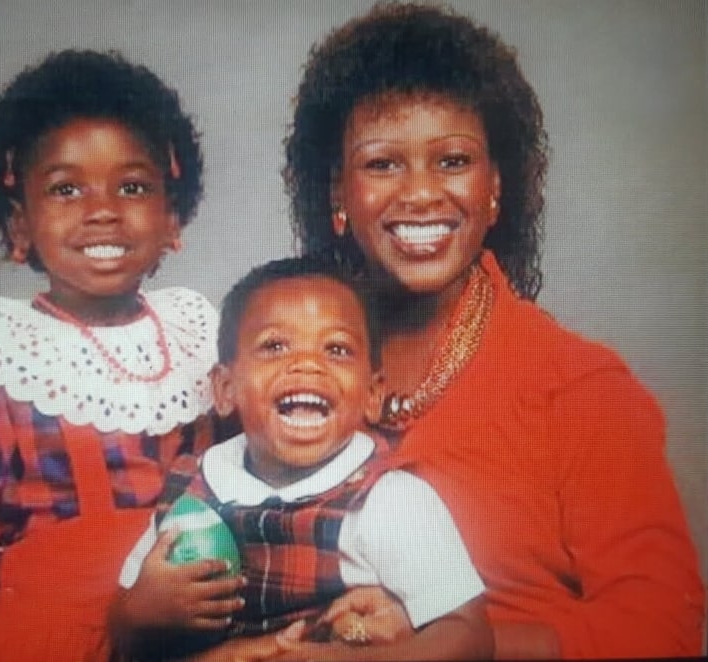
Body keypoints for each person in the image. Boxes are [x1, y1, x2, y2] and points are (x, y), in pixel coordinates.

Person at [283, 3, 705, 659]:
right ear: (338, 193)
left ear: (495, 188)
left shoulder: (581, 390)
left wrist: (439, 649)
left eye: (452, 160)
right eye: (382, 164)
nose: (420, 193)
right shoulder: (288, 368)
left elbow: (663, 628)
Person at [0, 49, 224, 662]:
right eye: (66, 188)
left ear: (173, 217)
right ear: (20, 226)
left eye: (133, 186)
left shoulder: (209, 342)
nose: (102, 210)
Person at [110, 256, 493, 662]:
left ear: (372, 395)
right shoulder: (192, 488)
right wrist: (140, 612)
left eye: (337, 349)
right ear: (225, 389)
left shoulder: (390, 500)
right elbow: (124, 634)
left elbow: (470, 638)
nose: (308, 364)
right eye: (274, 346)